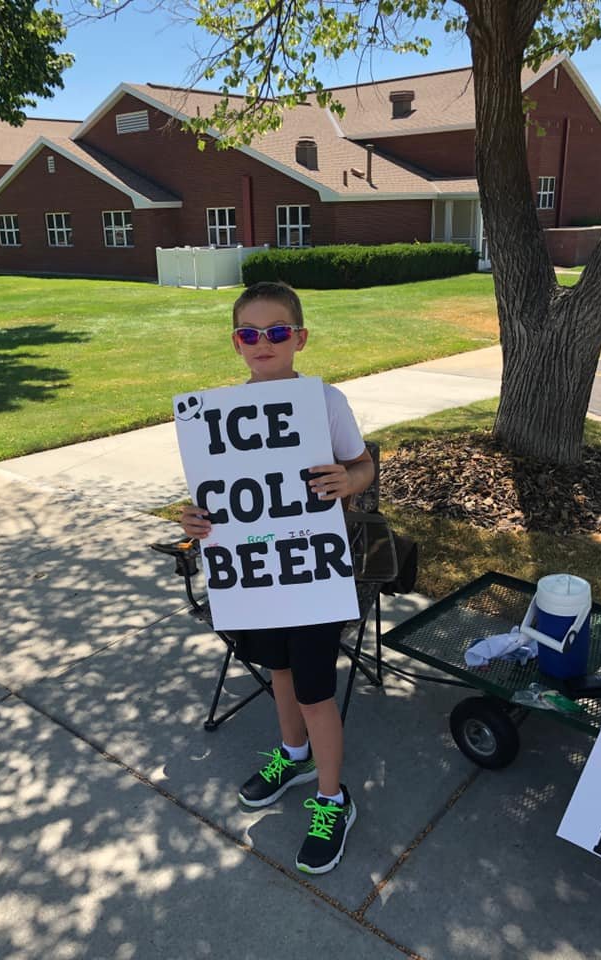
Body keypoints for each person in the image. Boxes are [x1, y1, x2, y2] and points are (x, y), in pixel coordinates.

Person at [181, 280, 374, 874]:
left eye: (277, 332)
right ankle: (294, 756)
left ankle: (333, 798)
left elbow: (362, 463)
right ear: (236, 343)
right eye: (249, 333)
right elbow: (214, 502)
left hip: (312, 575)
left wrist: (351, 480)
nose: (262, 343)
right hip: (255, 577)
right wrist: (195, 521)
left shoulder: (325, 403)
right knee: (279, 670)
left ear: (300, 339)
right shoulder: (218, 416)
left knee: (317, 691)